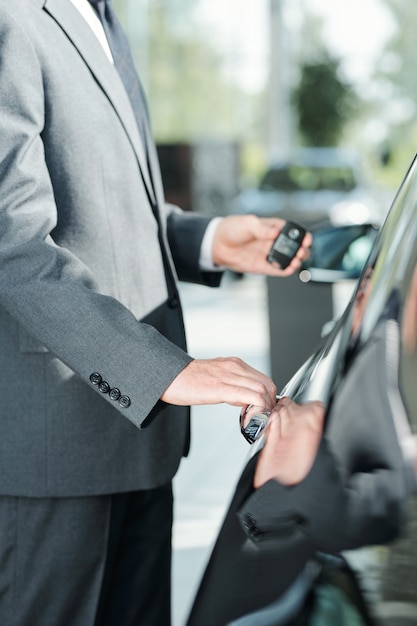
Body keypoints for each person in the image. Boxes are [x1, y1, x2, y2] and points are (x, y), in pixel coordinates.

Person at [0, 1, 312, 625]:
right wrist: (159, 372)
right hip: (55, 453)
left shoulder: (104, 17)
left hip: (143, 444)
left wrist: (209, 239)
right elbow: (16, 243)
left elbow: (102, 208)